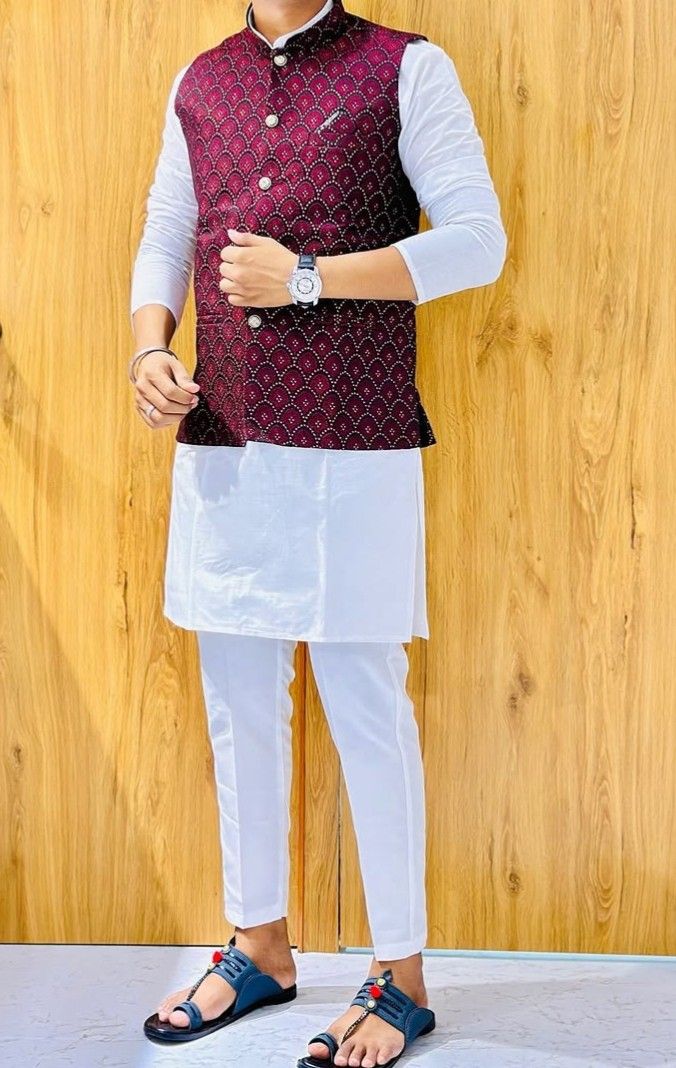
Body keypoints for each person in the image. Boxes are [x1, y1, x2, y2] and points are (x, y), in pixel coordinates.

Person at [130, 0, 506, 1063]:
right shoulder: (201, 78)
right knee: (236, 703)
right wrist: (149, 348)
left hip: (355, 439)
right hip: (223, 435)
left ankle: (400, 976)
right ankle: (259, 945)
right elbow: (167, 230)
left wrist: (308, 278)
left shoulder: (404, 68)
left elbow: (478, 242)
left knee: (366, 704)